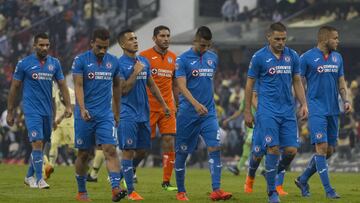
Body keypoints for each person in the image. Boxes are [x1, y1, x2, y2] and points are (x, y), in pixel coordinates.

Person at [244, 22, 308, 203]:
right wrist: (247, 111)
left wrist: (304, 104)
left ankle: (270, 172)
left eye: (284, 39)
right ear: (269, 37)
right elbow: (249, 84)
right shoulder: (259, 57)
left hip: (288, 111)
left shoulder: (292, 56)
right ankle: (272, 192)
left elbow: (296, 80)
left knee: (291, 151)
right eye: (277, 39)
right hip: (267, 111)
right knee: (271, 149)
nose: (281, 42)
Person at [6, 32, 72, 189]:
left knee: (41, 144)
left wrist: (68, 106)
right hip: (31, 109)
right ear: (34, 45)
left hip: (47, 110)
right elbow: (14, 87)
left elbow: (62, 85)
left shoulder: (54, 64)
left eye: (47, 45)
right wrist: (10, 111)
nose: (44, 48)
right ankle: (40, 178)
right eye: (41, 45)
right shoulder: (24, 64)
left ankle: (29, 176)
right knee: (36, 142)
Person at [174, 26, 232, 201]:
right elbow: (181, 86)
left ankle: (216, 189)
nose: (204, 49)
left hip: (208, 113)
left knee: (215, 146)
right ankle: (181, 191)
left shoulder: (212, 58)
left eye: (207, 45)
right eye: (201, 45)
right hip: (188, 113)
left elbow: (207, 83)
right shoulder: (182, 59)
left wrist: (204, 104)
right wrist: (195, 104)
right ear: (195, 40)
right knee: (183, 152)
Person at [295, 25, 351, 199]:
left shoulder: (338, 58)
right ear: (324, 39)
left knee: (330, 150)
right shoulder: (306, 58)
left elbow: (341, 81)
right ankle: (329, 191)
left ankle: (303, 179)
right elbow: (298, 81)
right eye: (335, 38)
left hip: (334, 109)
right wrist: (303, 104)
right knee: (322, 148)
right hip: (316, 109)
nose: (337, 41)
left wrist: (346, 100)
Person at [72, 28, 126, 202]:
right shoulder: (80, 60)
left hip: (105, 115)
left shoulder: (113, 62)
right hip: (85, 114)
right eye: (99, 47)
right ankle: (81, 192)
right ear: (92, 43)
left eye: (106, 47)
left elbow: (117, 86)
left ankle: (116, 188)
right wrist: (82, 108)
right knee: (84, 154)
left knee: (110, 150)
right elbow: (78, 86)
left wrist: (116, 111)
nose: (103, 51)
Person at [116, 29, 171, 201]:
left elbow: (152, 85)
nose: (135, 41)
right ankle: (131, 191)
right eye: (131, 39)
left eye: (136, 38)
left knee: (142, 151)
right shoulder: (119, 65)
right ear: (122, 44)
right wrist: (135, 72)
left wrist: (164, 105)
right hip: (127, 114)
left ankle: (121, 174)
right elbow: (123, 90)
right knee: (128, 151)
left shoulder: (144, 61)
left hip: (143, 114)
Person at [134, 25, 178, 191]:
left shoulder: (173, 58)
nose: (166, 38)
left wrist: (177, 103)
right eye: (162, 36)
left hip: (167, 108)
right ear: (154, 38)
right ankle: (130, 169)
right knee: (143, 148)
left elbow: (174, 83)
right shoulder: (144, 56)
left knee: (169, 141)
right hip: (148, 108)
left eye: (168, 35)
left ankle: (166, 182)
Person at [44, 85, 76, 179]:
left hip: (68, 124)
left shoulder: (71, 92)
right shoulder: (55, 92)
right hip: (57, 125)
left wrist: (60, 119)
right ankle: (50, 168)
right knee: (53, 144)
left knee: (74, 146)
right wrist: (54, 120)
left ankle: (83, 162)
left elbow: (72, 108)